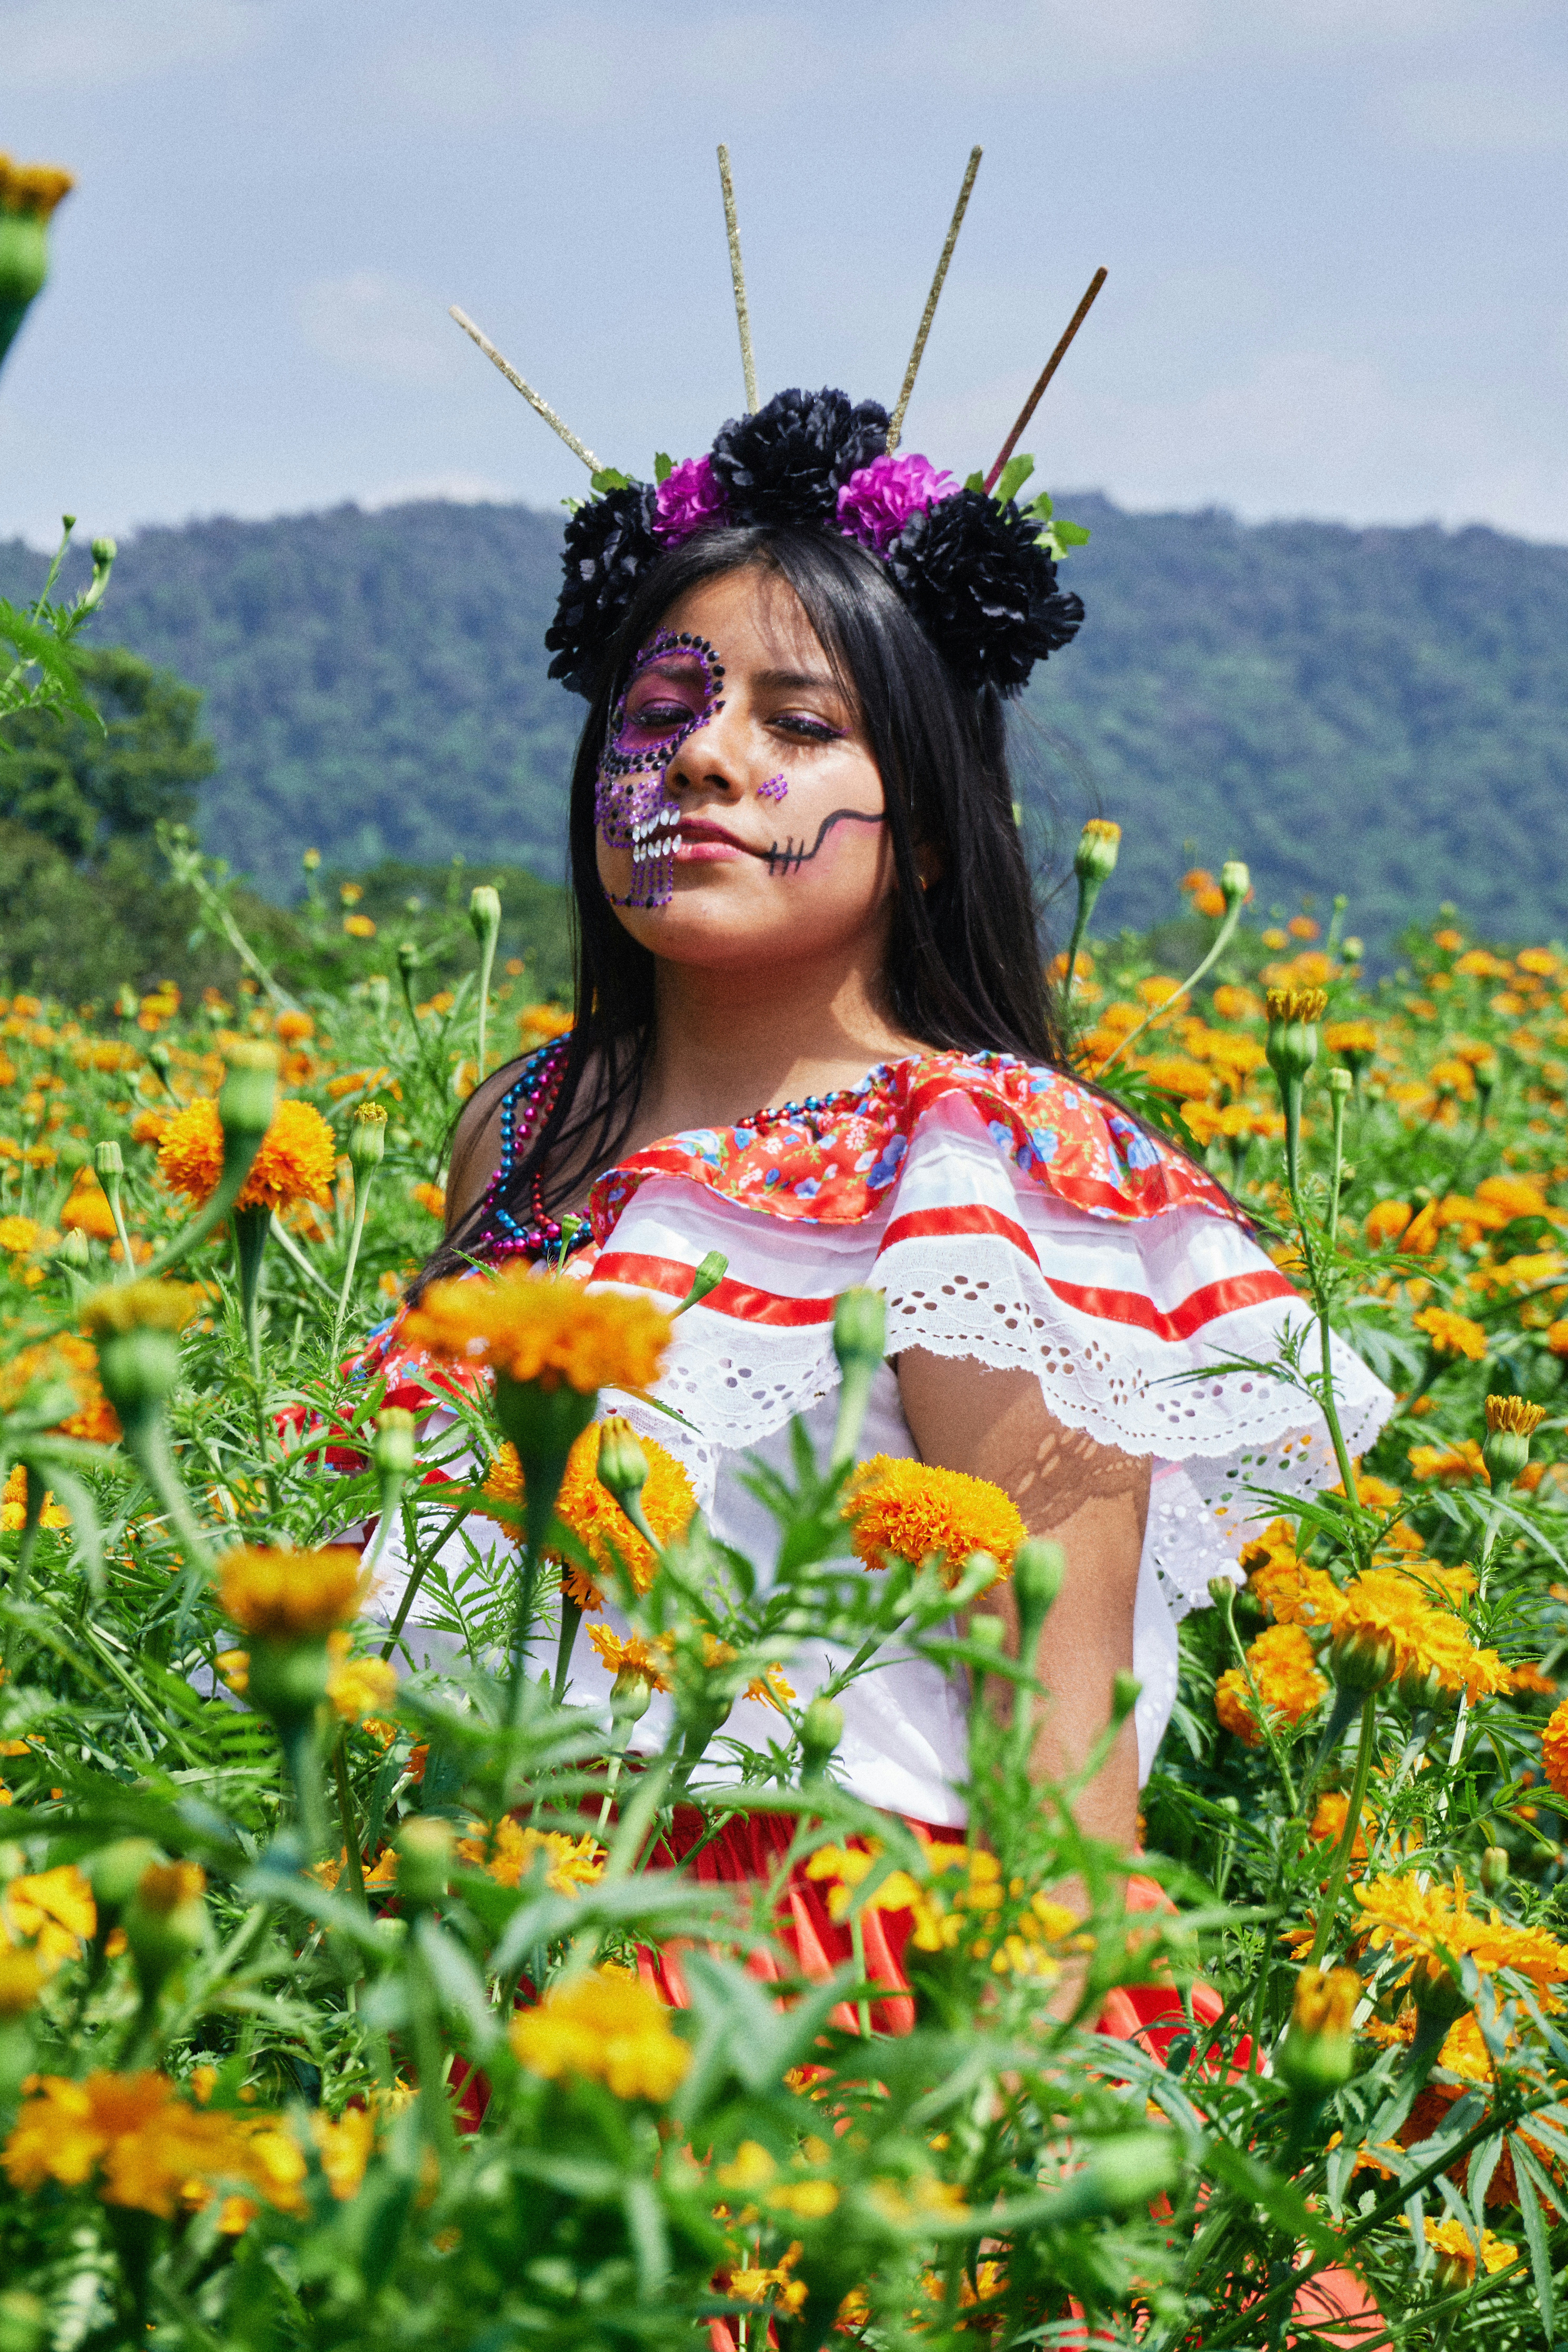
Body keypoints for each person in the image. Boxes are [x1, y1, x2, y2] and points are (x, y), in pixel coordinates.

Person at [358, 387, 1391, 1891]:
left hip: (812, 1958)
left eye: (798, 724)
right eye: (660, 711)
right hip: (463, 1913)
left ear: (920, 830)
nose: (703, 759)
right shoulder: (522, 1126)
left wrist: (1036, 2062)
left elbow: (1056, 1720)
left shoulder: (989, 1160)